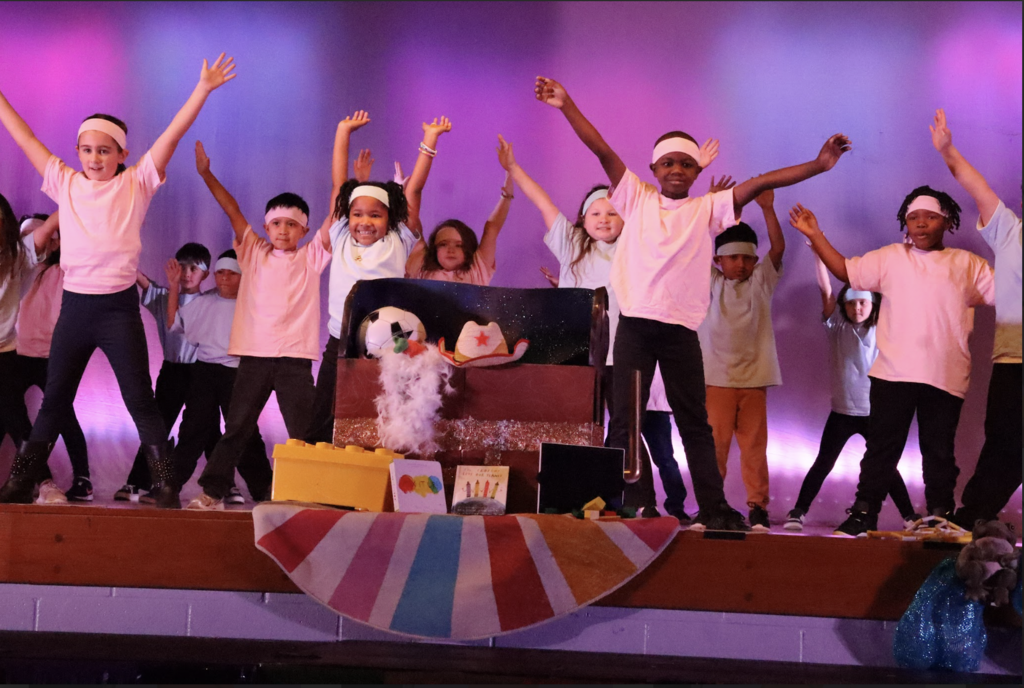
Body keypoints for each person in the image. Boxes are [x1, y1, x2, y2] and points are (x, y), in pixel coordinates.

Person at [534, 75, 851, 530]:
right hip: (636, 329)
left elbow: (762, 180)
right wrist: (566, 104)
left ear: (697, 171)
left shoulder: (708, 209)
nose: (676, 169)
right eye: (667, 163)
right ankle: (638, 503)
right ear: (654, 169)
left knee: (694, 424)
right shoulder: (636, 198)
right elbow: (601, 149)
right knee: (626, 420)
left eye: (685, 163)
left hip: (680, 332)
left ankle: (715, 507)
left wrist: (820, 166)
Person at [0, 53, 236, 507]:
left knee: (140, 401)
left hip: (117, 310)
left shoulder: (137, 183)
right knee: (53, 402)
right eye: (87, 150)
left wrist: (202, 89)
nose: (94, 158)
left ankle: (165, 483)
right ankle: (23, 480)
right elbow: (24, 136)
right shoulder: (65, 183)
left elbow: (172, 134)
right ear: (77, 153)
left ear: (123, 155)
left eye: (105, 150)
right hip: (76, 308)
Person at [498, 134, 692, 521]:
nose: (604, 219)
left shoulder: (634, 247)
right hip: (579, 354)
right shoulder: (571, 245)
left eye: (612, 213)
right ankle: (576, 496)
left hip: (625, 351)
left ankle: (640, 502)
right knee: (577, 428)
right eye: (595, 214)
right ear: (583, 220)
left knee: (625, 429)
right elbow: (543, 203)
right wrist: (514, 169)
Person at [789, 190, 994, 536]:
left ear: (946, 221)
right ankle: (863, 513)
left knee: (939, 452)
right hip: (893, 374)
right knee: (881, 450)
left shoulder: (967, 264)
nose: (921, 223)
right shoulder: (890, 257)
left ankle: (941, 516)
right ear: (905, 223)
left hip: (946, 375)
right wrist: (814, 234)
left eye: (930, 217)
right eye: (914, 218)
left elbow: (1008, 293)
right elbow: (845, 271)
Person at [187, 140, 331, 510]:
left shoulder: (312, 256)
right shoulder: (253, 250)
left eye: (292, 225)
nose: (283, 231)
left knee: (305, 433)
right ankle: (213, 491)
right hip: (253, 357)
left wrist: (350, 183)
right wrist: (206, 174)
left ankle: (315, 494)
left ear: (305, 229)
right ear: (267, 226)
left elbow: (337, 211)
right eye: (277, 223)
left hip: (294, 360)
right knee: (236, 429)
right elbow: (231, 208)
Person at [304, 113, 444, 445]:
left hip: (390, 342)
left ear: (389, 218)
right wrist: (342, 131)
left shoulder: (399, 239)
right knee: (325, 407)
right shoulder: (339, 235)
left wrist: (430, 140)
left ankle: (382, 468)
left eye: (375, 215)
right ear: (346, 216)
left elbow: (417, 188)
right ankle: (311, 471)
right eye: (357, 214)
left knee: (385, 406)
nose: (365, 221)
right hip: (342, 338)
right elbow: (339, 184)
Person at [929, 110, 1022, 528]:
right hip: (1014, 362)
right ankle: (973, 517)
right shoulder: (1009, 231)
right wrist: (948, 150)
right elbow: (975, 186)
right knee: (1004, 443)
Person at [784, 250, 920, 532]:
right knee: (823, 463)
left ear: (873, 305)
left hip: (874, 414)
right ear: (844, 307)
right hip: (842, 412)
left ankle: (910, 518)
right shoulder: (836, 327)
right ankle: (798, 512)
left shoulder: (884, 328)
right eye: (851, 304)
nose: (857, 308)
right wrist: (819, 257)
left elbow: (903, 296)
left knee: (884, 467)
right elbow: (825, 290)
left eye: (863, 303)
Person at [697, 190, 785, 531]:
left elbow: (777, 249)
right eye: (732, 258)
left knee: (753, 448)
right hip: (716, 379)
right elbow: (695, 245)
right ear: (719, 260)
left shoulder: (760, 282)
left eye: (747, 259)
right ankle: (711, 504)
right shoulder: (710, 283)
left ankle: (758, 507)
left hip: (753, 381)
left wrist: (767, 208)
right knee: (714, 448)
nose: (741, 265)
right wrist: (711, 208)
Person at [166, 250, 272, 503]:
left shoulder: (253, 306)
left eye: (231, 273)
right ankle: (169, 485)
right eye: (220, 273)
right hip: (204, 372)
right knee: (192, 429)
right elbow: (174, 324)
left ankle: (264, 488)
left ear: (243, 276)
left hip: (238, 374)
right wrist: (172, 287)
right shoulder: (204, 303)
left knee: (244, 432)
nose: (224, 278)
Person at [115, 242, 211, 503]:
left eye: (195, 268)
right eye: (182, 267)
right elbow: (141, 279)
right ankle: (138, 482)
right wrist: (117, 250)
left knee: (208, 428)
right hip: (172, 371)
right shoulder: (162, 296)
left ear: (206, 273)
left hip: (202, 372)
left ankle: (221, 486)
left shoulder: (210, 301)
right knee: (157, 427)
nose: (187, 273)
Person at [14, 212, 94, 502]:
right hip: (15, 353)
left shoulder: (65, 271)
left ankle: (82, 478)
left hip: (52, 355)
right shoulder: (16, 269)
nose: (38, 242)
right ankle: (34, 479)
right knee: (10, 415)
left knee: (63, 416)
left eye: (47, 236)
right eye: (28, 237)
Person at [0, 205, 59, 502]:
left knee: (16, 418)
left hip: (4, 353)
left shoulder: (19, 256)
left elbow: (47, 230)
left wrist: (78, 191)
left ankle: (43, 481)